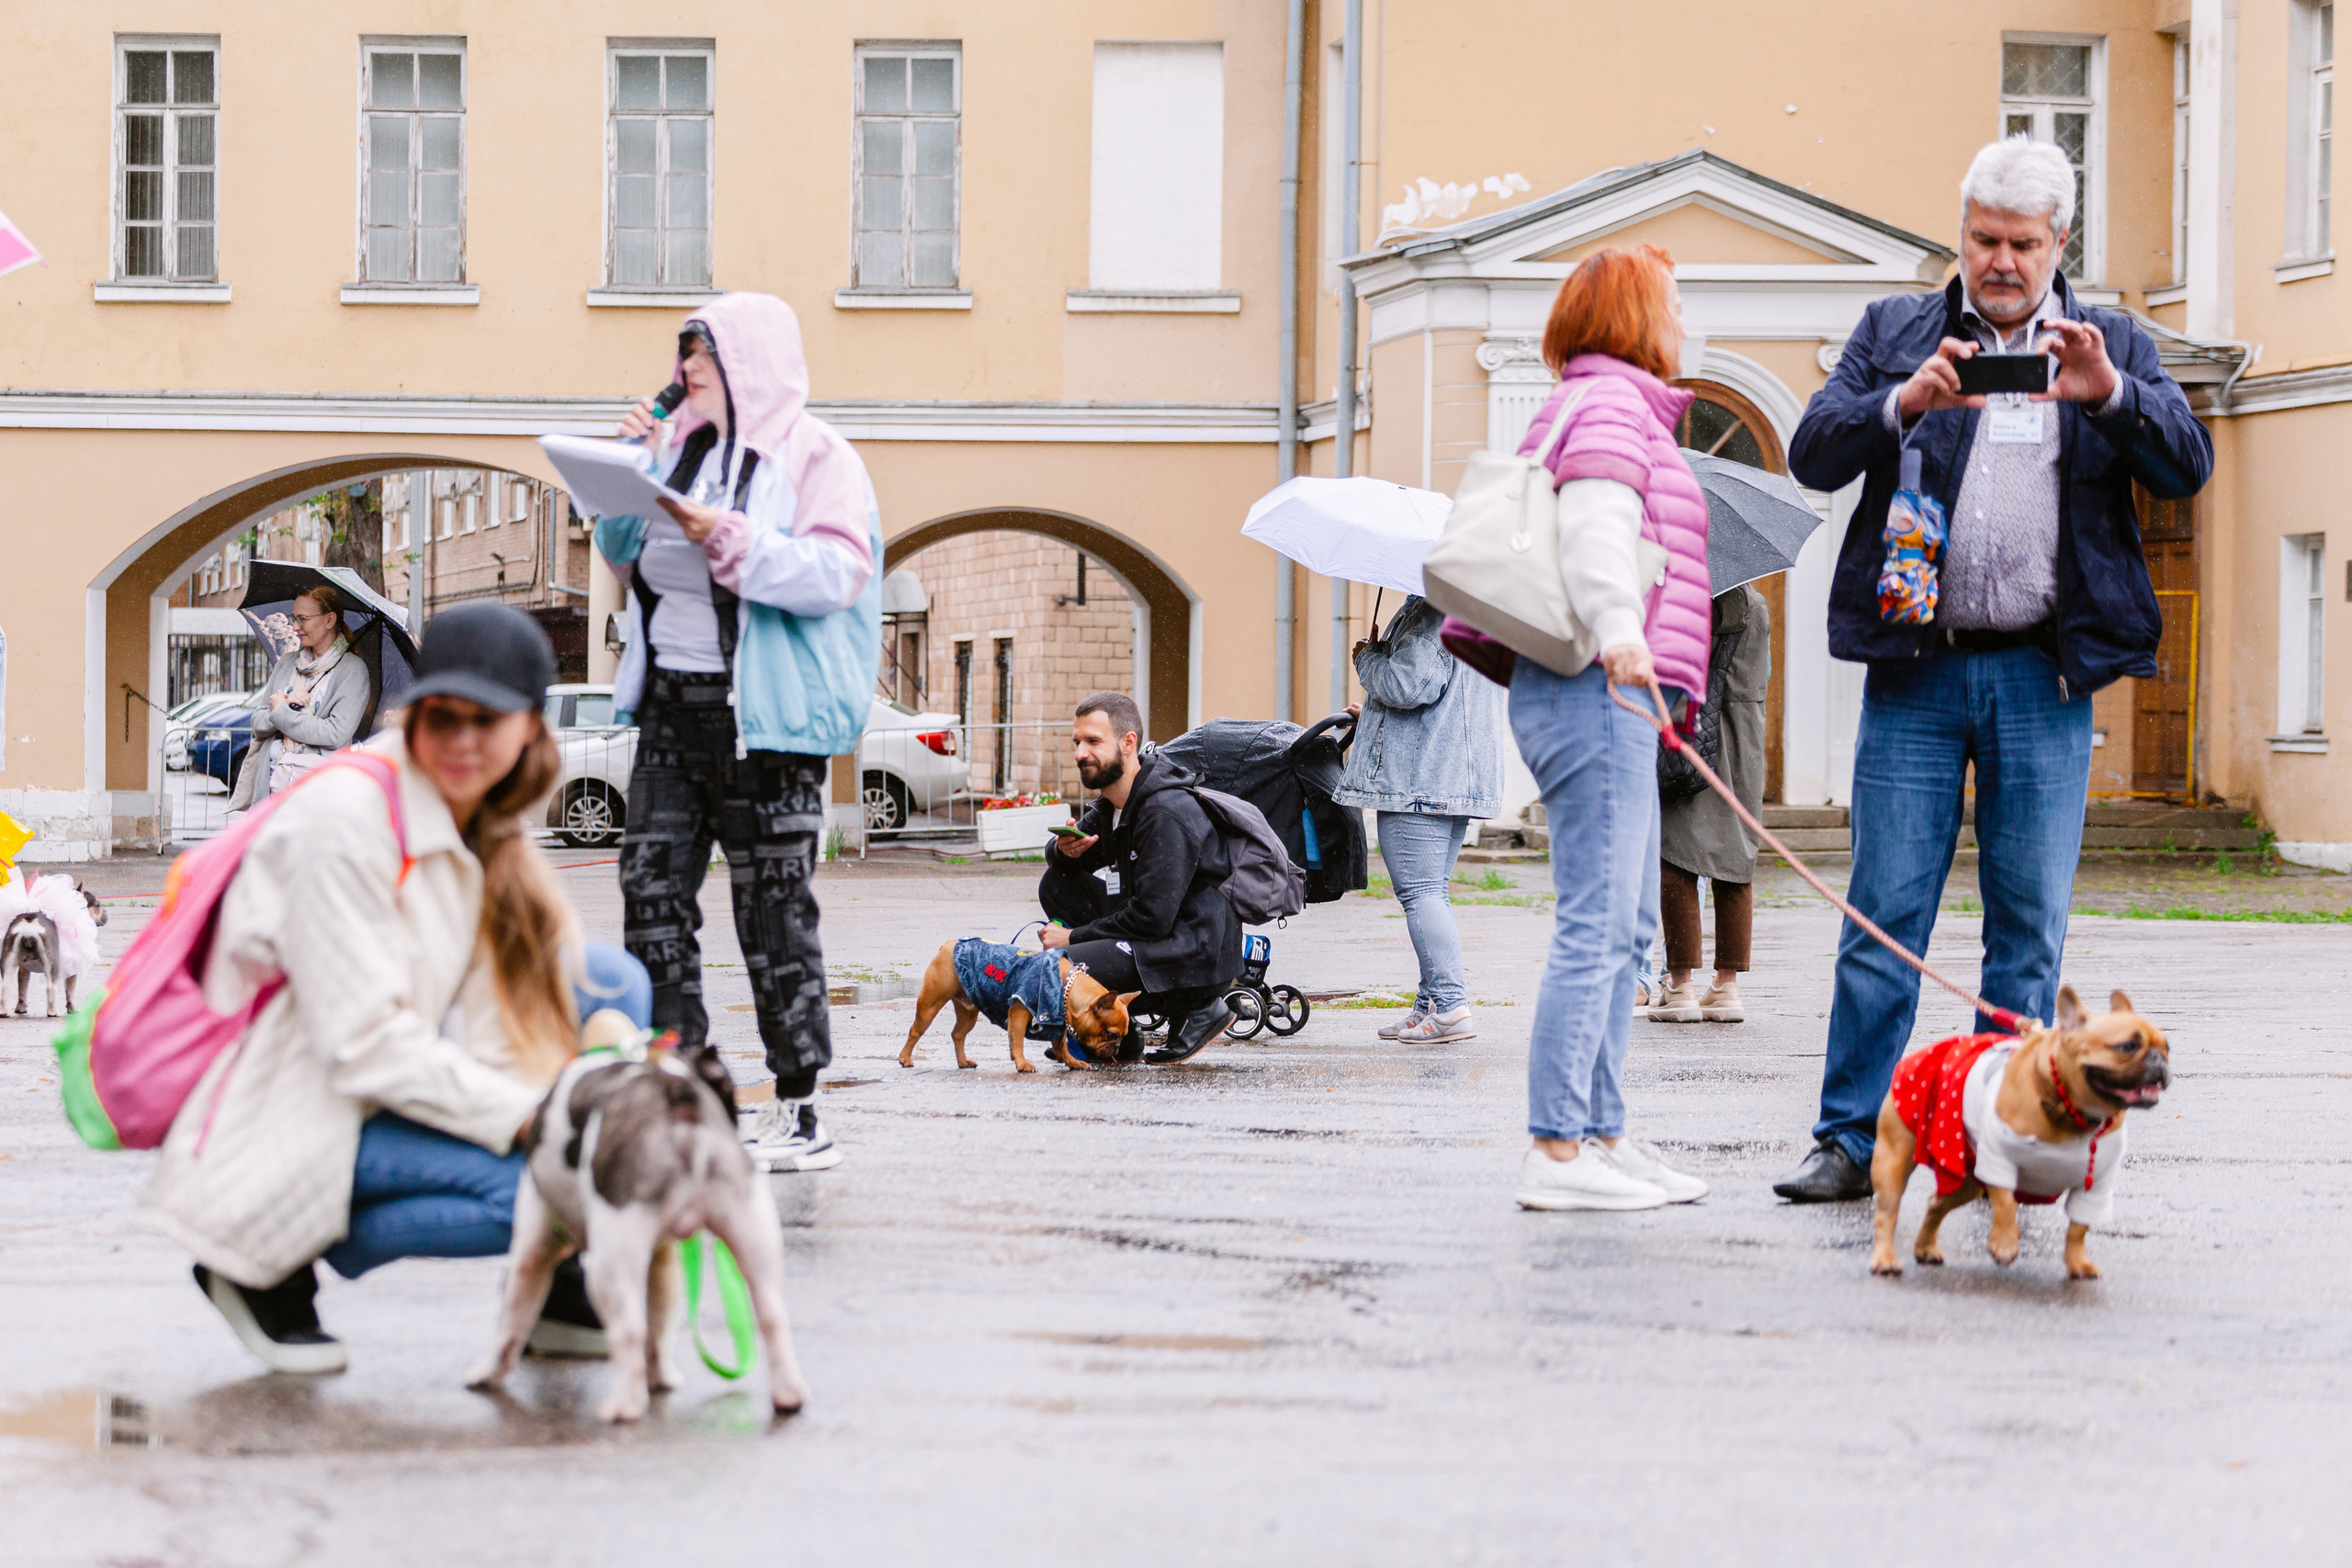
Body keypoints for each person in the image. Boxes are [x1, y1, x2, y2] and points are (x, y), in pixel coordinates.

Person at [1772, 138, 2211, 1202]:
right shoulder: (1896, 330)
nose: (2000, 262)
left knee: (2024, 926)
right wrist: (1903, 404)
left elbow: (2185, 467)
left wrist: (2110, 396)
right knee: (1883, 914)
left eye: (2021, 243)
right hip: (1917, 670)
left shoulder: (2111, 338)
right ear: (1957, 232)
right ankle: (1848, 1138)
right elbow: (1813, 450)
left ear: (2060, 242)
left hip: (2043, 676)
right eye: (1982, 239)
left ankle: (1991, 1145)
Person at [141, 604, 654, 1373]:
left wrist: (600, 1105)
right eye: (442, 715)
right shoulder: (346, 821)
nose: (463, 739)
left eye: (490, 718)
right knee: (542, 1181)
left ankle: (556, 1278)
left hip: (372, 1076)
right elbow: (364, 1046)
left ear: (529, 731)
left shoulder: (479, 812)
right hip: (285, 1110)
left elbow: (496, 1006)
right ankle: (263, 1262)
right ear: (414, 714)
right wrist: (539, 1123)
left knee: (608, 985)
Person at [596, 293, 882, 1174]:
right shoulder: (680, 450)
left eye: (703, 359)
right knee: (650, 898)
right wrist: (627, 471)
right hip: (671, 714)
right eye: (682, 357)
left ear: (748, 367)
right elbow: (620, 551)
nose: (685, 374)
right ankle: (687, 1086)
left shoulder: (815, 454)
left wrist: (730, 537)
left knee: (772, 915)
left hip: (766, 726)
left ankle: (799, 1106)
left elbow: (840, 570)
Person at [1505, 245, 1713, 1213]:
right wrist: (1623, 636)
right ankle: (1556, 1152)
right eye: (1671, 302)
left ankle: (1600, 1136)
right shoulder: (1609, 408)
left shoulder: (1603, 403)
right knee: (1597, 927)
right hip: (1595, 684)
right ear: (1635, 314)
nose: (1682, 319)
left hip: (1602, 690)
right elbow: (1596, 530)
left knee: (1624, 926)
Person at [1333, 593, 1506, 1044]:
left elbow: (1409, 686)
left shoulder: (1435, 610)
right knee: (1433, 891)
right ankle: (1428, 1007)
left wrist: (1367, 658)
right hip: (1453, 774)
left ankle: (1450, 1008)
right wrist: (1373, 715)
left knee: (1422, 893)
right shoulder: (1478, 605)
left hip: (1421, 777)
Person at [1037, 692, 1242, 1065]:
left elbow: (1152, 918)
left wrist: (1073, 938)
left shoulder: (1165, 812)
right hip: (1156, 933)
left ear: (1128, 743)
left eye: (1093, 742)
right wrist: (1061, 849)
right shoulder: (1113, 804)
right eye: (1077, 742)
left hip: (1192, 952)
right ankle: (1123, 1034)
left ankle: (1197, 1008)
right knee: (1056, 883)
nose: (1081, 753)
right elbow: (1067, 866)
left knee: (1059, 973)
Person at [1647, 583, 1770, 1025]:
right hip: (1743, 742)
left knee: (1676, 854)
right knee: (1737, 858)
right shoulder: (1755, 606)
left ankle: (1679, 986)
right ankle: (1727, 986)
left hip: (1689, 735)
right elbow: (1756, 682)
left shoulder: (1681, 599)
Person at [227, 583, 373, 812]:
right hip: (272, 787)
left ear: (329, 620)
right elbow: (257, 723)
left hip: (320, 795)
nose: (295, 627)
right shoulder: (287, 663)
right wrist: (283, 706)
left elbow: (336, 734)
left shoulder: (352, 671)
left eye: (302, 619)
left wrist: (281, 713)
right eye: (293, 618)